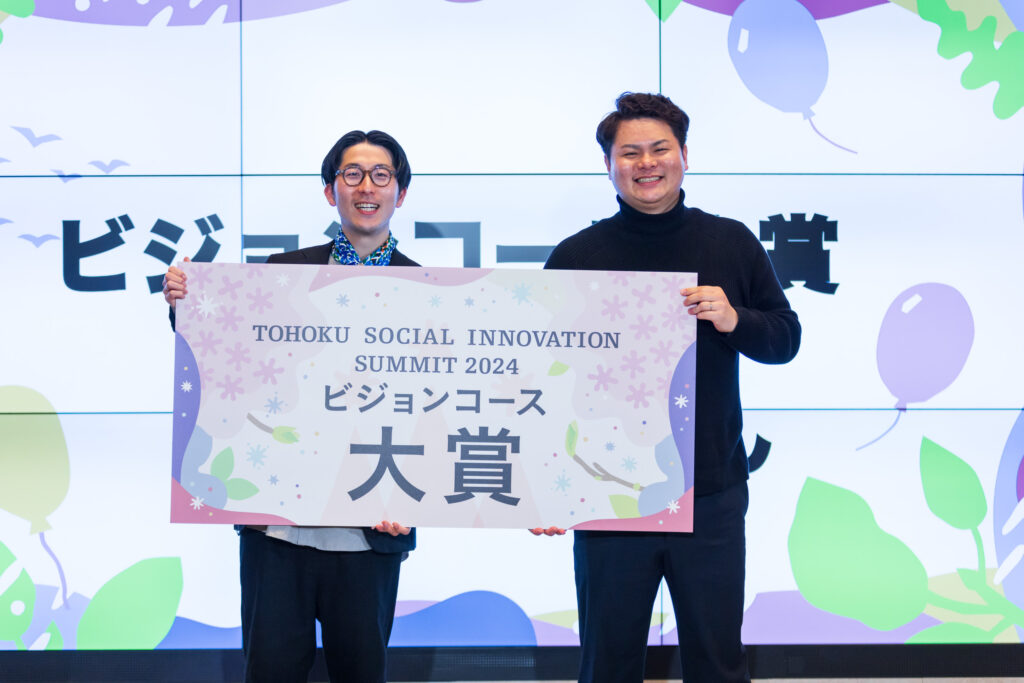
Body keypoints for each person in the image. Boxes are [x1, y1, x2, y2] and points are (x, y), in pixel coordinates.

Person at [540, 93, 801, 682]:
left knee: (717, 662)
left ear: (684, 155)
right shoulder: (578, 256)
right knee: (607, 663)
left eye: (659, 149)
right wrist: (546, 487)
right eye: (629, 152)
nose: (646, 163)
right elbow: (544, 379)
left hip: (709, 492)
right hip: (608, 494)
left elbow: (785, 339)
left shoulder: (730, 242)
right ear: (608, 164)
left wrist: (733, 318)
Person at [162, 129, 417, 683]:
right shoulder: (281, 273)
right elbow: (229, 356)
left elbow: (440, 414)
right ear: (330, 191)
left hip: (372, 527)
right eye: (352, 174)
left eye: (381, 175)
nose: (367, 187)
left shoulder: (432, 291)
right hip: (277, 529)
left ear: (400, 192)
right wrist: (188, 307)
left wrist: (420, 491)